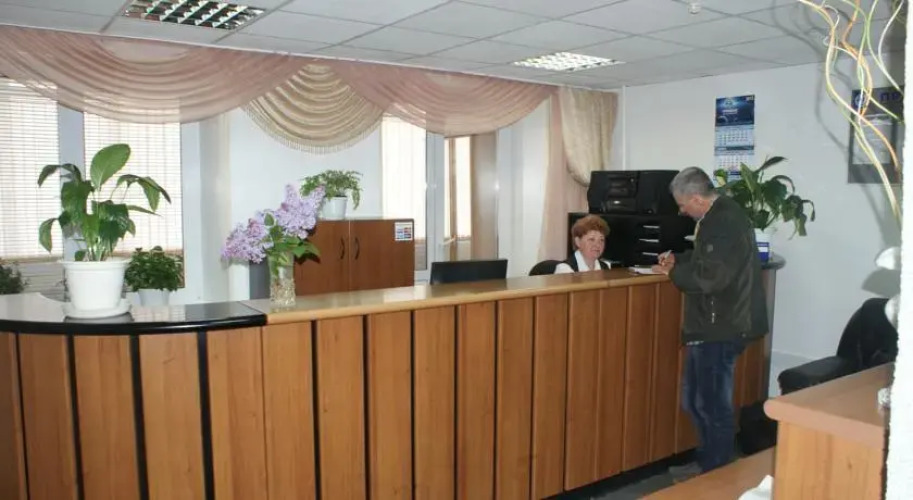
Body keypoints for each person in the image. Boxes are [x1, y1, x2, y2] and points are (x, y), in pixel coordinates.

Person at [651, 167, 768, 481]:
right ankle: (707, 462)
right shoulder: (717, 216)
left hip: (723, 326)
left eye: (682, 205)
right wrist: (679, 260)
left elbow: (711, 278)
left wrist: (673, 273)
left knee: (711, 404)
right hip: (712, 324)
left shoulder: (723, 221)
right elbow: (708, 260)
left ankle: (715, 473)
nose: (681, 211)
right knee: (694, 400)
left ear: (696, 199)